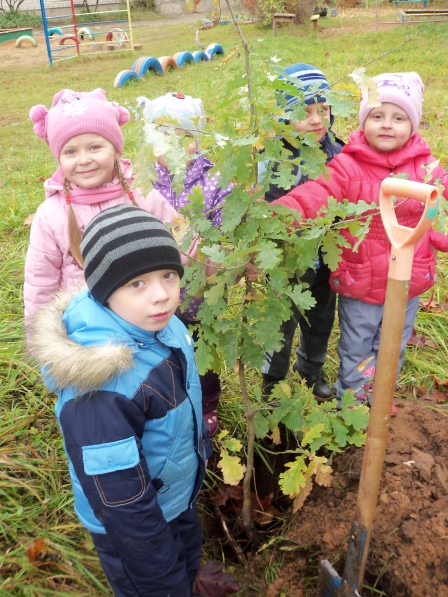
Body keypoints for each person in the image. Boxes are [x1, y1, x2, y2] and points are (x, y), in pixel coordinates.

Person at [28, 205, 212, 597]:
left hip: (174, 496)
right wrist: (158, 572)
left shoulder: (160, 323)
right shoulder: (100, 390)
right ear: (104, 289)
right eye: (137, 283)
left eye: (168, 275)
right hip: (134, 532)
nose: (162, 294)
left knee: (186, 559)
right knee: (160, 585)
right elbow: (122, 503)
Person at [271, 72, 448, 411]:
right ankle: (352, 404)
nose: (386, 125)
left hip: (407, 283)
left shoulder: (427, 168)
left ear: (413, 124)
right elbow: (317, 193)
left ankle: (380, 398)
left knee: (392, 344)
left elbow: (443, 202)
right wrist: (282, 212)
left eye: (398, 118)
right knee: (357, 348)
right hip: (360, 285)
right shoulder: (348, 166)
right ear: (364, 120)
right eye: (377, 116)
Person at [24, 88, 184, 320]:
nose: (84, 159)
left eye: (95, 147)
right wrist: (41, 340)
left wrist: (227, 265)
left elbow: (184, 242)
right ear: (59, 158)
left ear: (116, 150)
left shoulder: (143, 196)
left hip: (148, 318)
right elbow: (40, 283)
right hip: (86, 330)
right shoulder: (51, 216)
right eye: (70, 151)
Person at [139, 92, 233, 435]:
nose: (176, 146)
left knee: (201, 353)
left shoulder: (216, 179)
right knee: (157, 350)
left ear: (199, 139)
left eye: (187, 137)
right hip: (154, 291)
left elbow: (228, 230)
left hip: (199, 291)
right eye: (165, 136)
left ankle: (207, 404)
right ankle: (167, 404)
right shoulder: (140, 182)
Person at [260, 63, 344, 400]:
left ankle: (310, 368)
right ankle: (272, 379)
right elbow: (260, 211)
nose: (316, 120)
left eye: (322, 109)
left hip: (326, 256)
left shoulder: (337, 152)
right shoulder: (272, 160)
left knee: (321, 317)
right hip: (286, 263)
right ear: (282, 118)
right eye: (304, 112)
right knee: (280, 321)